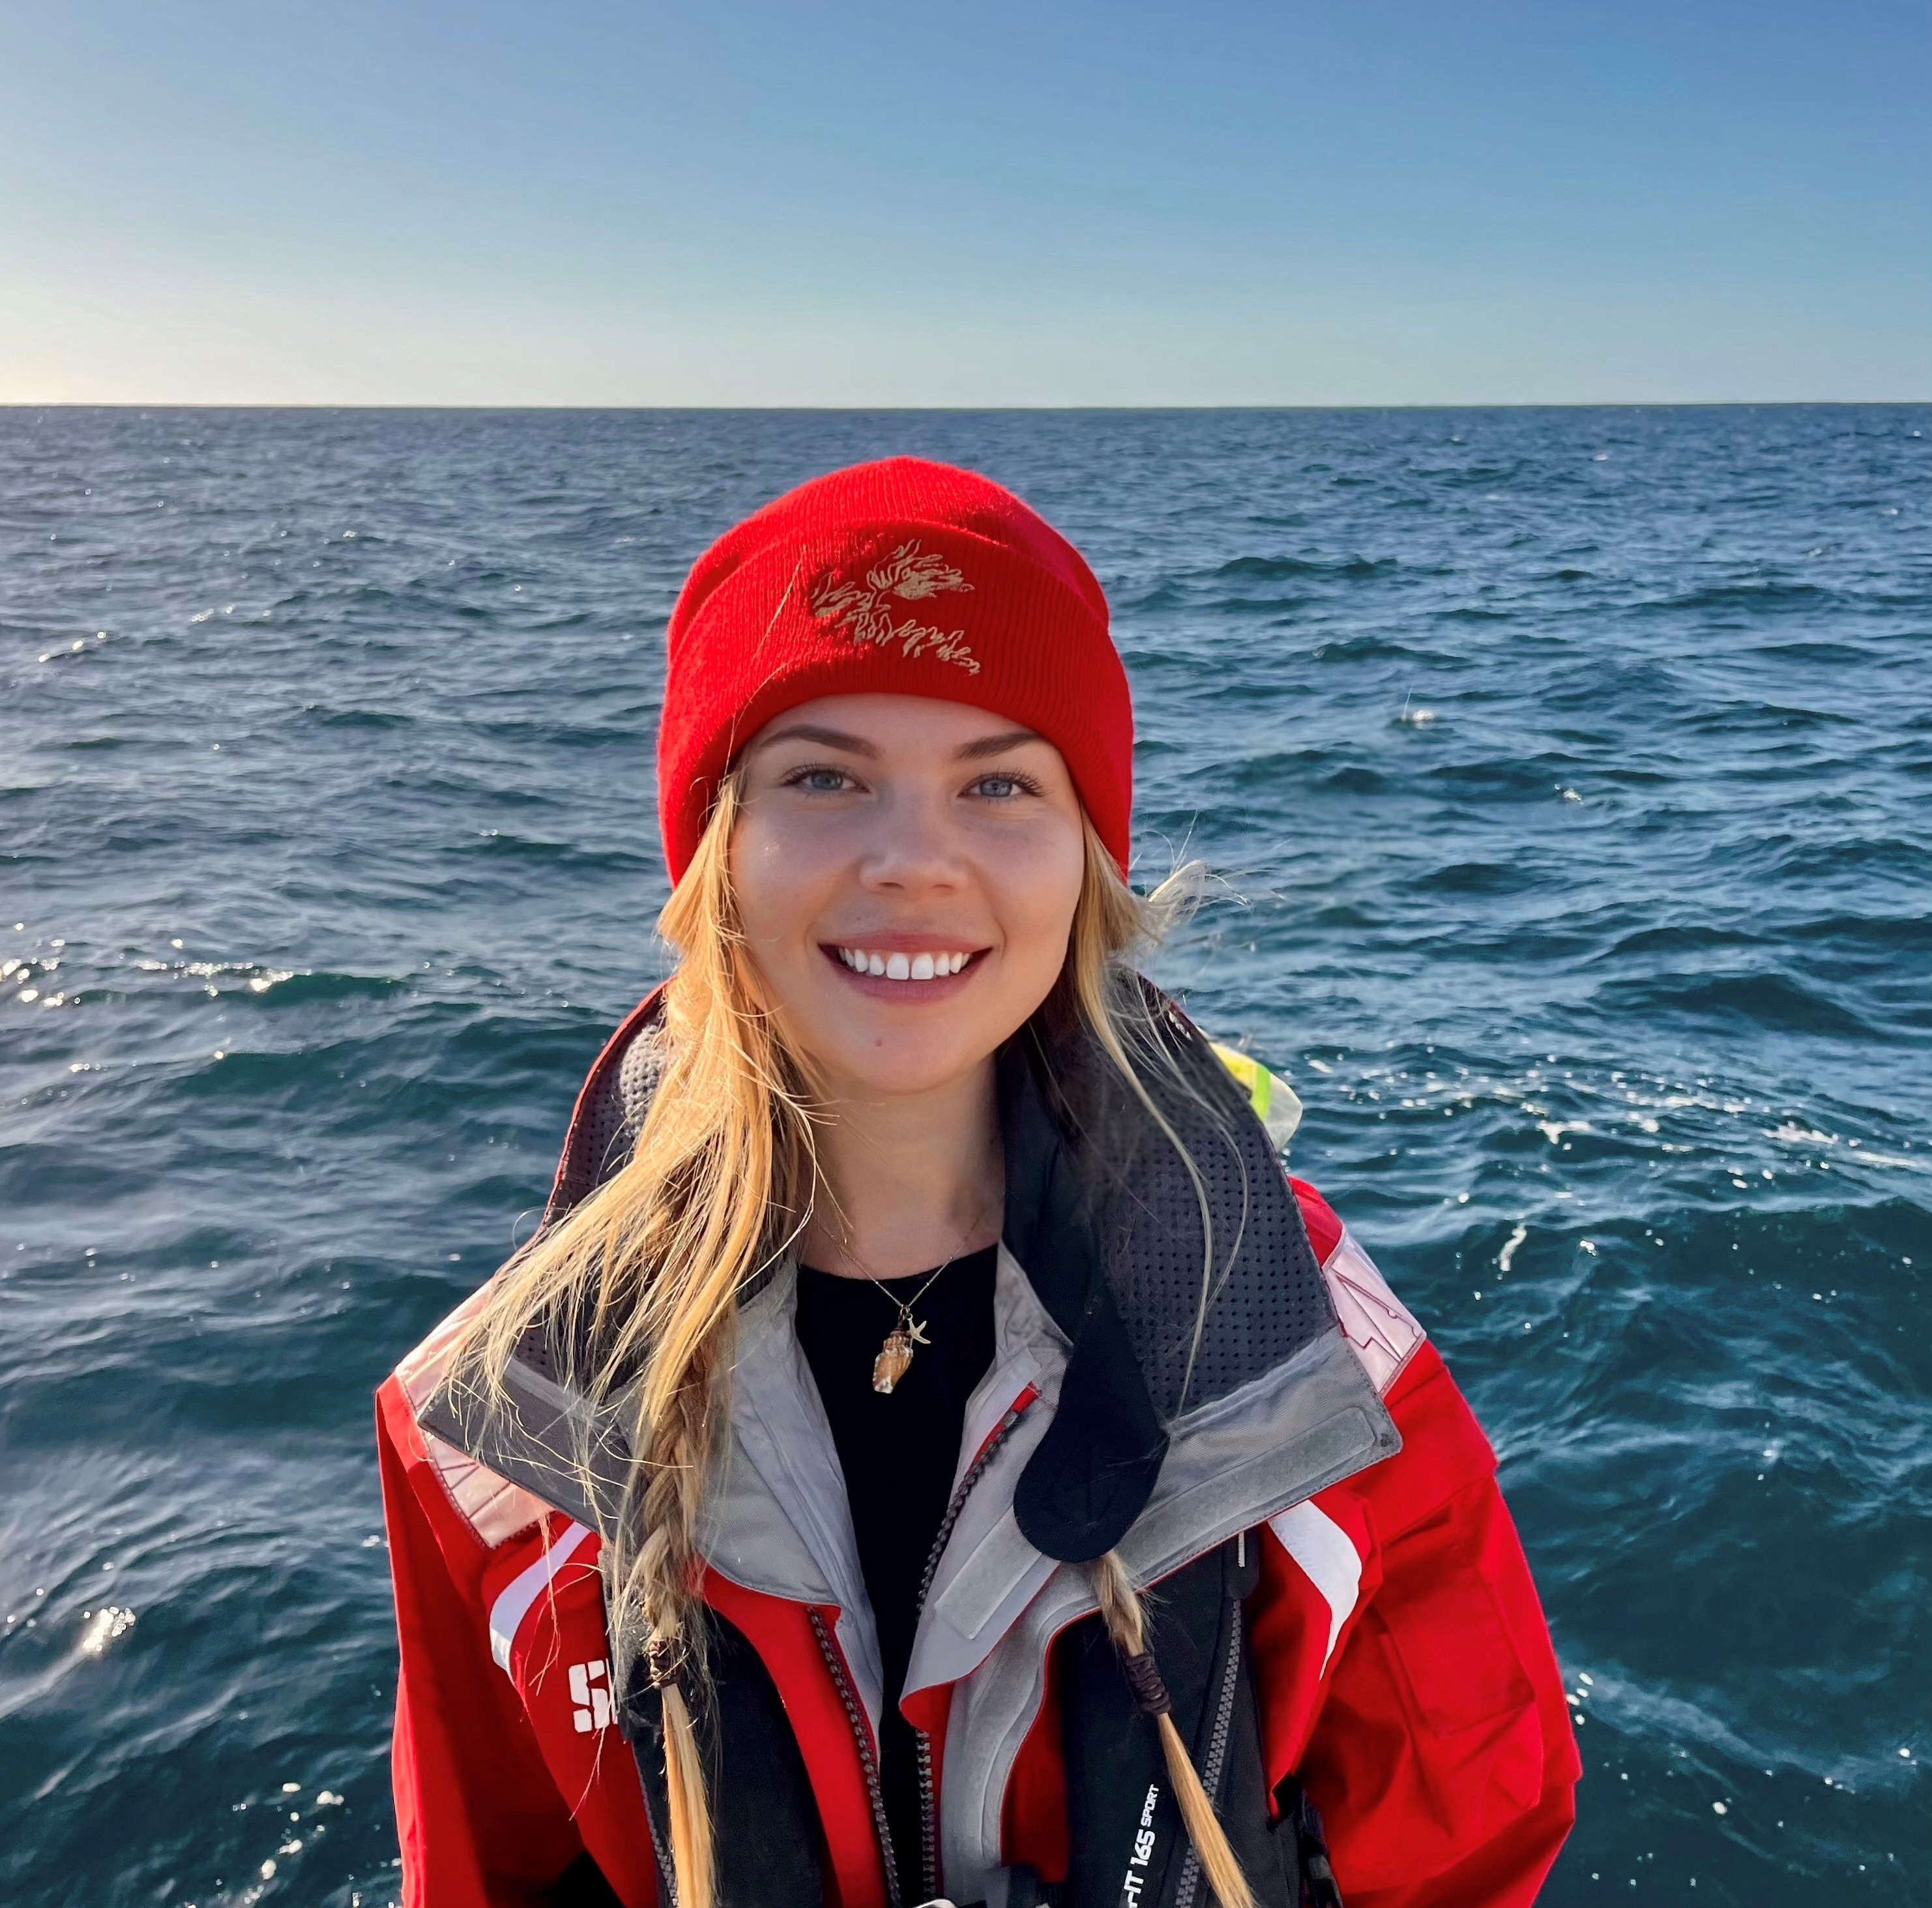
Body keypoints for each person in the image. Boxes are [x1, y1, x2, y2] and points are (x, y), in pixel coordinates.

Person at [375, 458, 1580, 1908]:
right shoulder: (502, 1430)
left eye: (999, 782)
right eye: (823, 777)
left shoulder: (1307, 1355)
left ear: (1085, 859)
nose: (913, 860)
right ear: (718, 853)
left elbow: (1475, 1844)